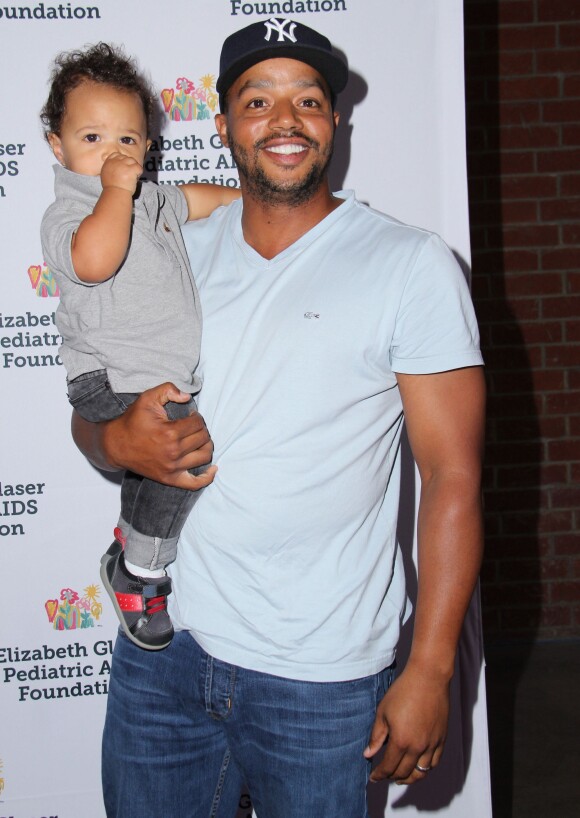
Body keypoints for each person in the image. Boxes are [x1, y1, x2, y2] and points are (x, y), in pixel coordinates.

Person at [73, 18, 485, 818]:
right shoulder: (173, 251)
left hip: (321, 679)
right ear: (222, 124)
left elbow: (453, 476)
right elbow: (92, 415)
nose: (285, 120)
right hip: (163, 653)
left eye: (308, 100)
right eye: (257, 100)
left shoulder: (410, 265)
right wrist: (114, 439)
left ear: (335, 122)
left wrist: (431, 669)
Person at [40, 43, 239, 650]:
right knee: (185, 460)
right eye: (93, 138)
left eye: (129, 140)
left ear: (148, 147)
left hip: (153, 375)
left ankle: (127, 545)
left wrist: (248, 202)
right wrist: (113, 193)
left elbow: (198, 200)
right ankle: (140, 572)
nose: (114, 154)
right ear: (58, 147)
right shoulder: (68, 212)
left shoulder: (150, 198)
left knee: (160, 466)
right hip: (108, 376)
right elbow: (95, 263)